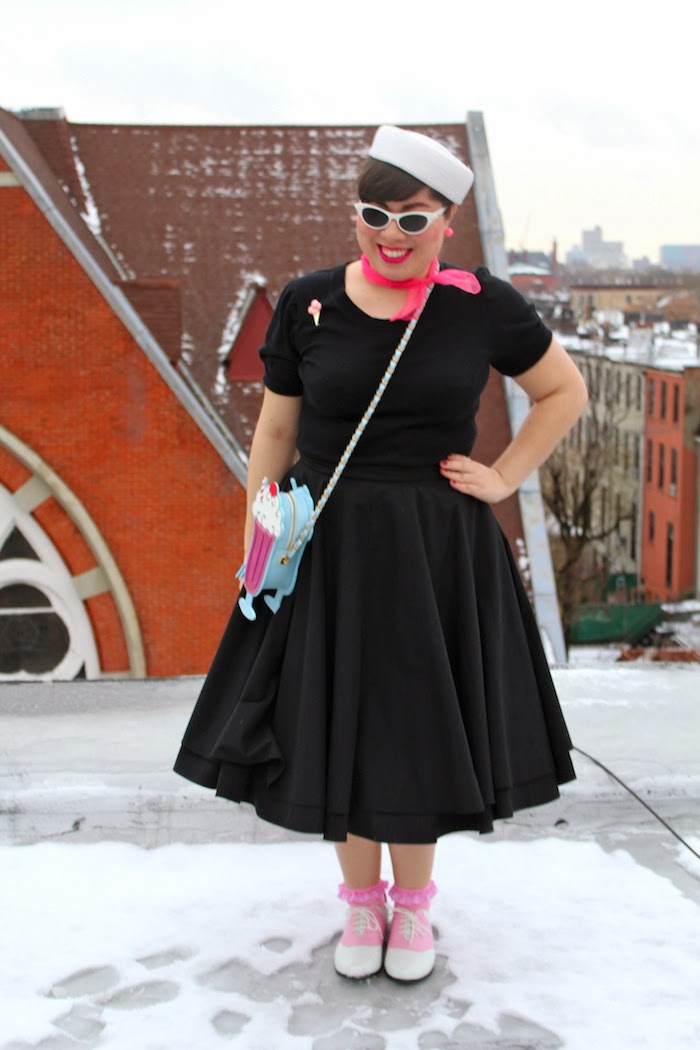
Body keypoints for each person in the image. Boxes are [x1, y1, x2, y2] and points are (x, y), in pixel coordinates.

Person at [174, 124, 588, 983]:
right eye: (375, 214)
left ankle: (416, 907)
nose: (391, 235)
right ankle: (362, 904)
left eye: (413, 219)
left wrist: (505, 476)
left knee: (417, 724)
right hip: (327, 544)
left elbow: (562, 390)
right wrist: (259, 532)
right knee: (339, 719)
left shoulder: (481, 304)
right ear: (355, 215)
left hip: (437, 551)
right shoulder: (309, 302)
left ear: (445, 224)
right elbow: (277, 430)